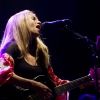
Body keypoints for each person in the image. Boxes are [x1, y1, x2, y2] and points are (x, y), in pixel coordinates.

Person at [0, 10, 95, 100]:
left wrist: (84, 82)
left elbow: (56, 84)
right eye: (33, 19)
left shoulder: (40, 54)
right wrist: (34, 85)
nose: (39, 22)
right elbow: (2, 73)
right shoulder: (12, 47)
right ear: (21, 24)